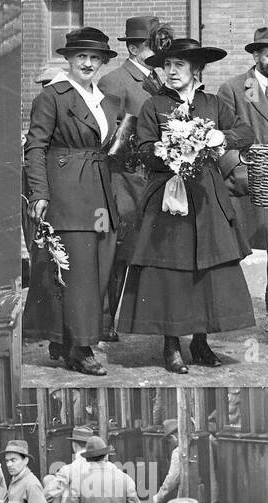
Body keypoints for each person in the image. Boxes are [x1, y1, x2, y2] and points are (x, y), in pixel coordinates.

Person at [117, 36, 256, 373]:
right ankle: (171, 345)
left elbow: (245, 131)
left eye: (179, 65)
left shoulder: (212, 103)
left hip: (207, 197)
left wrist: (220, 138)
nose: (171, 71)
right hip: (168, 198)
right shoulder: (153, 106)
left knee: (206, 270)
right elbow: (144, 149)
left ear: (196, 68)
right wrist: (170, 151)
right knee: (170, 271)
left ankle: (201, 341)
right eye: (167, 65)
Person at [23, 27, 121, 377]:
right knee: (78, 269)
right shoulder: (53, 96)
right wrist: (40, 193)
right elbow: (35, 147)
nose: (89, 63)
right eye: (82, 56)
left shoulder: (105, 100)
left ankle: (66, 340)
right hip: (67, 192)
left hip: (97, 195)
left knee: (98, 262)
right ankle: (81, 348)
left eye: (96, 58)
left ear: (103, 63)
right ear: (69, 59)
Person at [217, 27, 268, 313]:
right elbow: (222, 135)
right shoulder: (234, 88)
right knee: (237, 246)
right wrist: (236, 171)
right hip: (244, 179)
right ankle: (231, 305)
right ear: (255, 56)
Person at [98, 14, 162, 340]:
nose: (160, 51)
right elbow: (107, 138)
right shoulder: (114, 81)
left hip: (153, 180)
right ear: (135, 47)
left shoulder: (159, 81)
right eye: (154, 45)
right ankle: (104, 321)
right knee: (119, 252)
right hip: (126, 178)